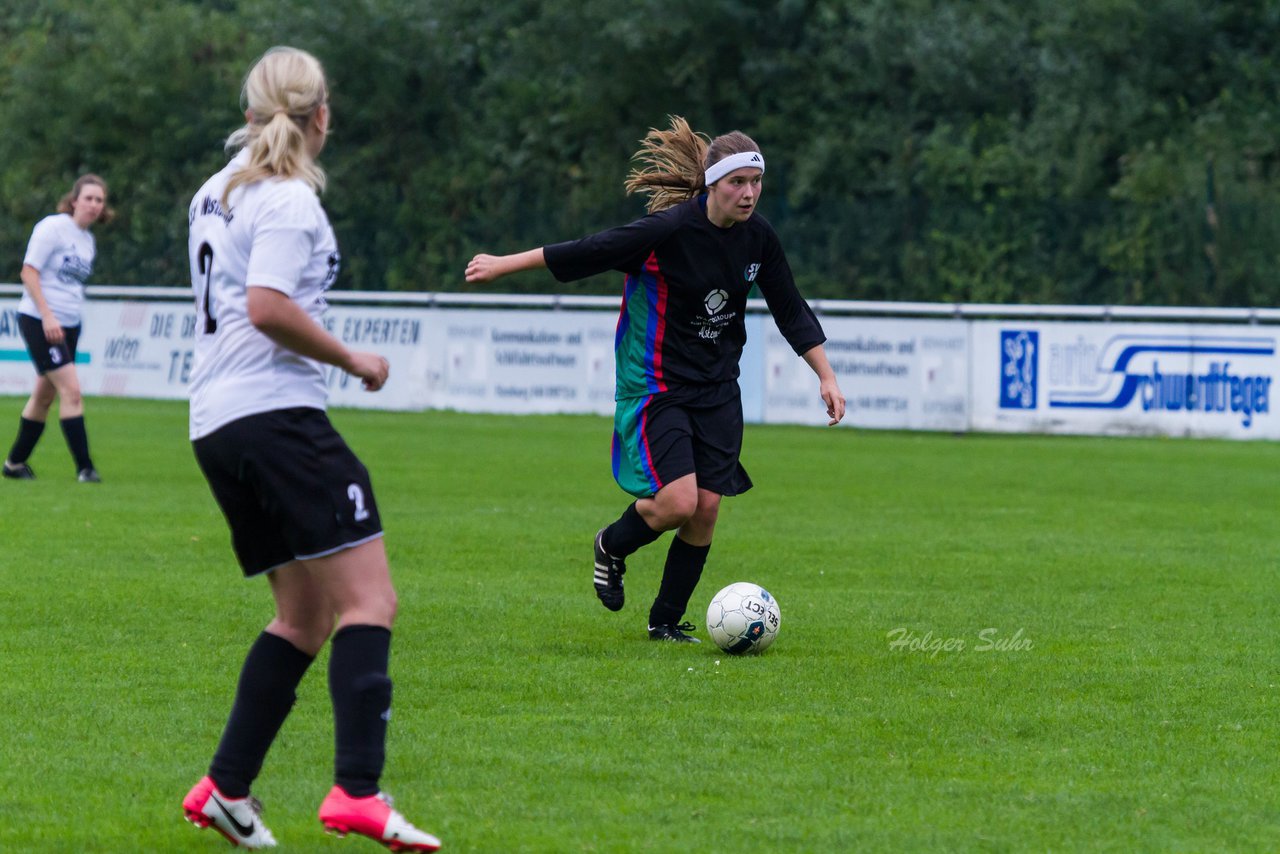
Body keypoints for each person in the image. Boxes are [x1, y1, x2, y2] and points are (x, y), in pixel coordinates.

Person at [180, 46, 440, 852]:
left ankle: (225, 788)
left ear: (253, 113)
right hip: (276, 418)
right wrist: (352, 357)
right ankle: (358, 793)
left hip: (215, 422)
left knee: (303, 616)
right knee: (371, 602)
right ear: (321, 114)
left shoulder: (214, 190)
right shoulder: (290, 200)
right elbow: (266, 307)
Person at [466, 116, 846, 643]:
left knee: (707, 508)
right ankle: (611, 545)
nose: (749, 193)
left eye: (756, 183)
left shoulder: (759, 239)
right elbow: (587, 250)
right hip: (657, 385)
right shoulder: (667, 231)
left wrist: (825, 376)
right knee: (677, 502)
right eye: (738, 182)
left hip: (717, 389)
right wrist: (502, 265)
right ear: (713, 183)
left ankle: (664, 621)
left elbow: (789, 308)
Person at [3, 174, 110, 483]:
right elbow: (28, 271)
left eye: (99, 200)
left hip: (68, 325)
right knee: (72, 391)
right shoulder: (52, 228)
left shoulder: (87, 240)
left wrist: (65, 319)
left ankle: (14, 465)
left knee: (43, 397)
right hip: (41, 321)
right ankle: (85, 468)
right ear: (74, 200)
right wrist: (48, 316)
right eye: (88, 198)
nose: (93, 204)